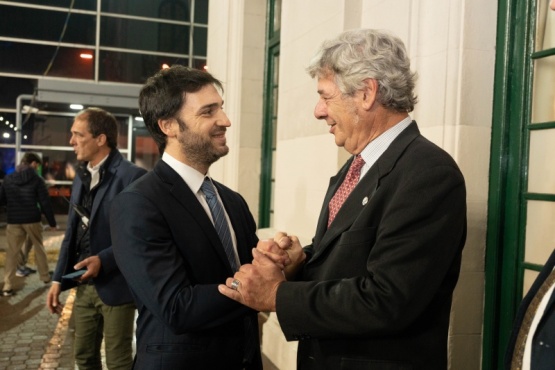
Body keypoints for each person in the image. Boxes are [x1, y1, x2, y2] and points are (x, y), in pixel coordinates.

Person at [219, 29, 467, 370]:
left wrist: (276, 295)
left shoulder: (428, 173)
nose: (318, 111)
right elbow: (351, 264)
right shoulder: (357, 165)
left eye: (325, 96)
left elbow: (387, 300)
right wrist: (300, 262)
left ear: (366, 93)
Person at [110, 65, 262, 370]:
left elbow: (252, 268)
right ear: (169, 126)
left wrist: (279, 260)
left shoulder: (232, 201)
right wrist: (255, 289)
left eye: (221, 108)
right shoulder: (138, 203)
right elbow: (176, 306)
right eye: (208, 112)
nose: (225, 121)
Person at [46, 107, 147, 370]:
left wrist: (103, 260)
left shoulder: (132, 176)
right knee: (83, 357)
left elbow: (138, 237)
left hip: (117, 286)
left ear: (100, 139)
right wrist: (58, 279)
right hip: (82, 285)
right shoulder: (81, 176)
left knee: (118, 362)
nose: (71, 142)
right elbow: (71, 233)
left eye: (78, 135)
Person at [0, 152, 57, 296]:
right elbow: (45, 202)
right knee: (39, 247)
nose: (37, 167)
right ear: (32, 163)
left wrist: (12, 206)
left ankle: (7, 285)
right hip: (32, 218)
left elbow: (2, 199)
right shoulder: (37, 179)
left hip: (13, 220)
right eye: (36, 165)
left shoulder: (8, 178)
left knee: (12, 252)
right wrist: (52, 222)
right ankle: (45, 277)